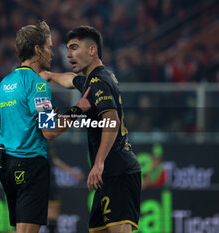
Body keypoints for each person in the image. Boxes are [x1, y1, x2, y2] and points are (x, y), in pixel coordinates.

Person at [0, 21, 90, 233]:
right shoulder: (38, 84)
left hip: (6, 167)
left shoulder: (4, 84)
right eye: (49, 47)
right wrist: (77, 109)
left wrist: (18, 133)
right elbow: (49, 131)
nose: (52, 53)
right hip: (30, 165)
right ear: (37, 50)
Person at [41, 26, 142, 233]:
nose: (68, 54)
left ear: (92, 50)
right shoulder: (94, 78)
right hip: (109, 173)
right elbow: (71, 80)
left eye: (74, 48)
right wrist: (50, 75)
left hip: (117, 170)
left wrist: (99, 162)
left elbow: (112, 122)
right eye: (68, 49)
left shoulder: (98, 81)